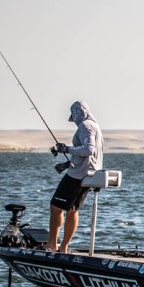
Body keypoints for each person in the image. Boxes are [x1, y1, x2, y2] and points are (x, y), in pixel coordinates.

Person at [47, 101, 103, 252]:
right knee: (72, 209)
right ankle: (63, 248)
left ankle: (51, 245)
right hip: (90, 173)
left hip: (78, 175)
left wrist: (67, 149)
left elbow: (89, 150)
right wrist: (67, 164)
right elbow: (88, 155)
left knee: (56, 207)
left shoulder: (85, 126)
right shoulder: (95, 125)